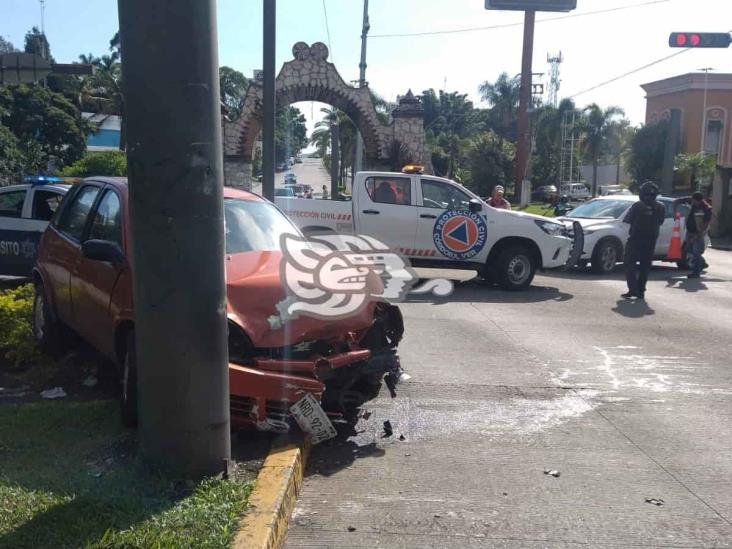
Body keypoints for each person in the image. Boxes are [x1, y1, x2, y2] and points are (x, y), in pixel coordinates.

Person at [621, 181, 665, 300]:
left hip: (636, 238)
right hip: (651, 239)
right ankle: (641, 291)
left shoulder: (637, 206)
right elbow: (661, 222)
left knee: (629, 264)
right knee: (645, 266)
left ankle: (633, 289)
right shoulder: (660, 207)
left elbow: (628, 220)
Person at [676, 191, 712, 279]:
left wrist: (698, 236)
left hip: (698, 233)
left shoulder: (706, 208)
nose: (692, 202)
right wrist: (675, 206)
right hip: (689, 231)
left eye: (694, 201)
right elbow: (678, 201)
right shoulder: (693, 202)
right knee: (689, 250)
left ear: (699, 201)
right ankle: (702, 262)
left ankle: (696, 273)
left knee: (695, 253)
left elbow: (705, 224)